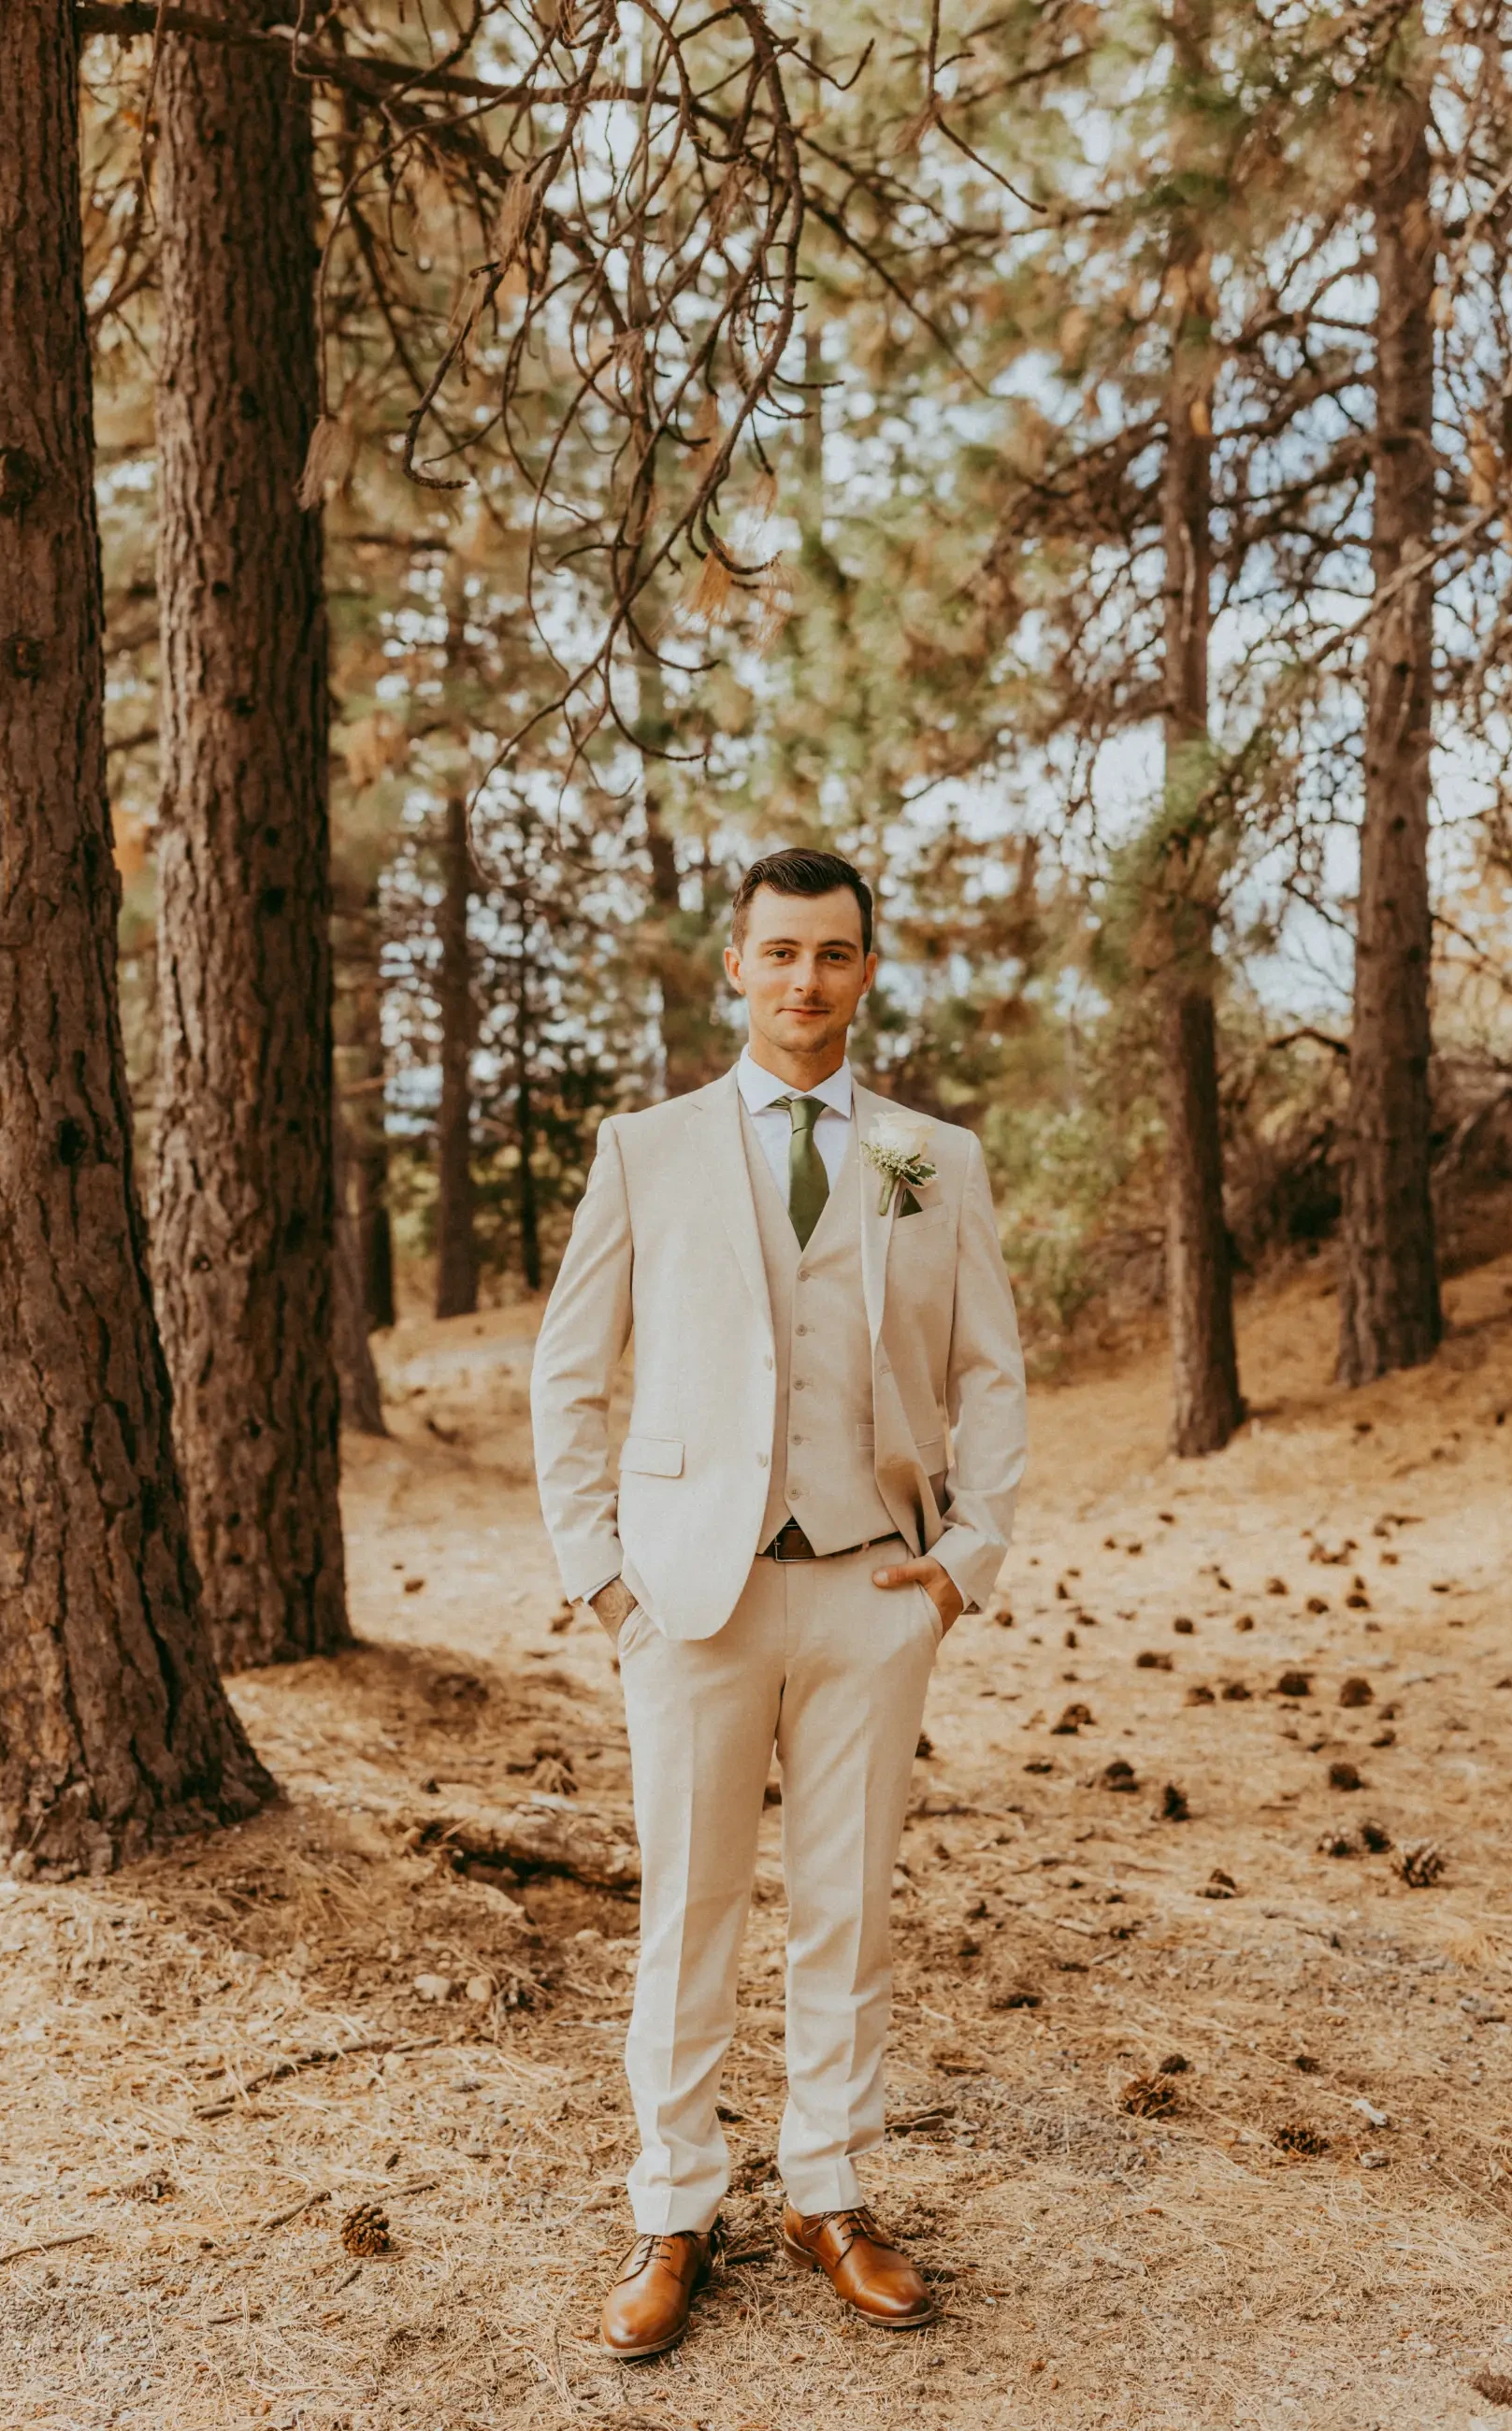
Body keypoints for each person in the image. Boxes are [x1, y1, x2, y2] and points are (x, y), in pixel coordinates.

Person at [530, 846, 1027, 2358]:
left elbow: (989, 1372)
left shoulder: (933, 1157)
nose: (804, 979)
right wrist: (603, 1576)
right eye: (779, 952)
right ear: (734, 967)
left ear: (865, 973)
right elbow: (567, 1370)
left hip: (876, 1586)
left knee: (847, 1907)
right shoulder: (645, 1149)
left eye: (833, 954)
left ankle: (827, 2188)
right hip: (691, 1596)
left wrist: (964, 1560)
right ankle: (672, 2205)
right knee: (685, 1908)